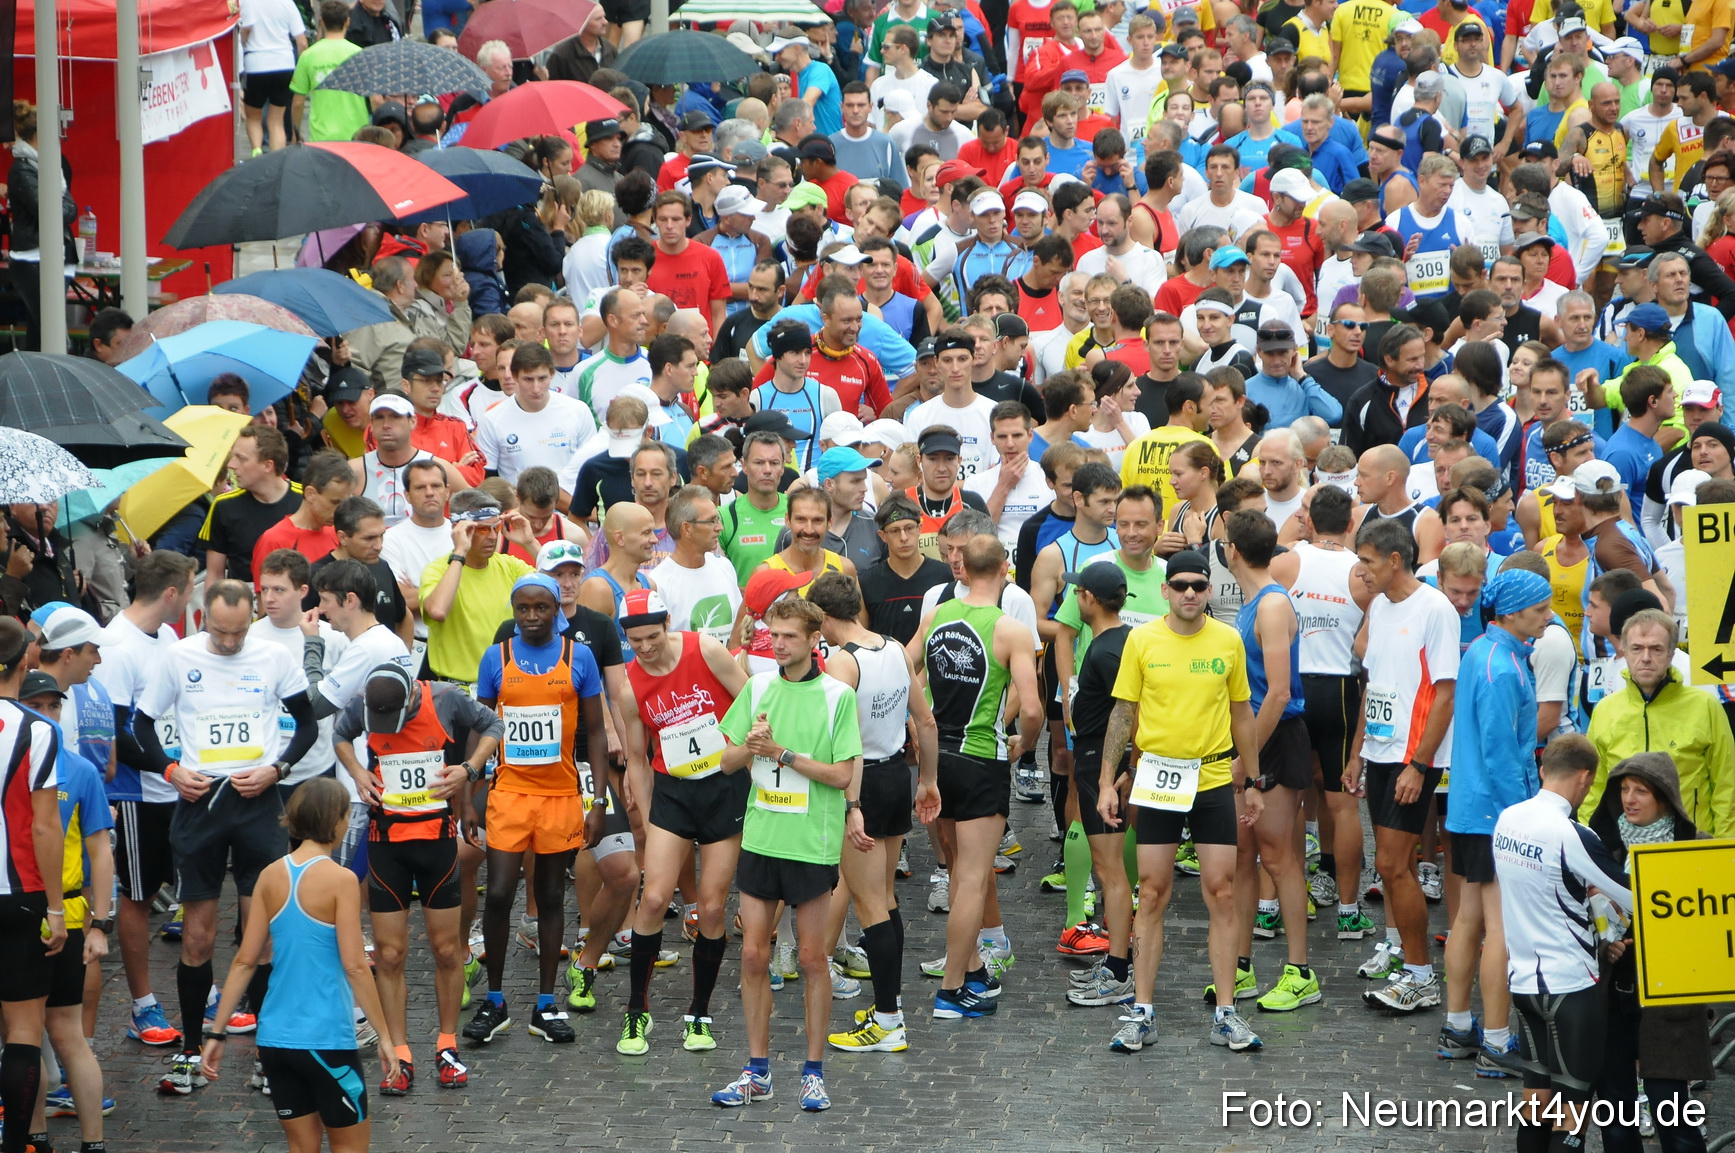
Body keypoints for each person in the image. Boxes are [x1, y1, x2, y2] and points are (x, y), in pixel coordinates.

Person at [133, 580, 319, 1095]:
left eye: (239, 632)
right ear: (201, 620)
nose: (231, 643)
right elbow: (141, 726)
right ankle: (191, 1052)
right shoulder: (177, 658)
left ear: (252, 618)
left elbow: (305, 725)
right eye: (220, 633)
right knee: (197, 937)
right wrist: (170, 771)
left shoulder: (272, 656)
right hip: (200, 803)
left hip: (257, 801)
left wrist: (277, 769)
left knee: (260, 941)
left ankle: (268, 1054)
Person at [1092, 549, 1265, 1052]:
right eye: (1181, 585)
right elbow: (1123, 713)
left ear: (1210, 591)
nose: (1190, 593)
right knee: (1152, 890)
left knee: (1222, 892)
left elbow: (1242, 714)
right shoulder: (1142, 640)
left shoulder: (1229, 640)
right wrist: (1108, 781)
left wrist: (1252, 780)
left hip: (1211, 777)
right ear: (1165, 590)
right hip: (1158, 777)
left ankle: (1227, 1012)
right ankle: (1141, 1011)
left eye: (1199, 585)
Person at [199, 778, 397, 1153]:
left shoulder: (270, 875)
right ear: (336, 820)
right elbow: (355, 966)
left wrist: (216, 1034)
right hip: (327, 1041)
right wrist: (385, 1037)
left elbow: (245, 960)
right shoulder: (341, 880)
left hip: (275, 1041)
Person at [465, 575, 608, 1046]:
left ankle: (546, 1005)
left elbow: (597, 733)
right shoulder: (497, 657)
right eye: (523, 608)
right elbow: (479, 726)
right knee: (501, 891)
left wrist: (599, 799)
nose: (531, 616)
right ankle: (497, 999)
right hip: (509, 793)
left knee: (549, 896)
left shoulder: (577, 656)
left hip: (561, 796)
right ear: (513, 610)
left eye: (541, 608)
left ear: (556, 610)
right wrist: (472, 791)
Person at [808, 574, 939, 1055]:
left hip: (859, 786)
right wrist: (928, 780)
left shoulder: (842, 664)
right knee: (883, 897)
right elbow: (924, 720)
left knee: (868, 905)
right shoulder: (895, 648)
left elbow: (839, 743)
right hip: (893, 780)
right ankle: (892, 1007)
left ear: (823, 617)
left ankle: (887, 1021)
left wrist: (850, 805)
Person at [913, 533, 1041, 1021]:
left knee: (954, 868)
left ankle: (969, 970)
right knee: (971, 878)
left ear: (961, 568)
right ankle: (951, 990)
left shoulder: (939, 615)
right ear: (1006, 568)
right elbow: (1030, 708)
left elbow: (905, 668)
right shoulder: (1010, 630)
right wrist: (1023, 744)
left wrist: (918, 723)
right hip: (980, 756)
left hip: (936, 757)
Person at [615, 589, 747, 1055]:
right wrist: (647, 824)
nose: (646, 648)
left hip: (722, 788)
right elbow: (635, 754)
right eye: (635, 641)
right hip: (671, 791)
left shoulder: (704, 650)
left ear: (668, 623)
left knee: (711, 908)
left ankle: (700, 1012)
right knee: (652, 898)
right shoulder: (629, 685)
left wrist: (747, 753)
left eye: (653, 637)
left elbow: (751, 698)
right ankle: (636, 1011)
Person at [1437, 568, 1556, 1079]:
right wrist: (1525, 817)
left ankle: (1458, 1025)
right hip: (1497, 815)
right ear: (1511, 613)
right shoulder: (1503, 668)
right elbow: (1503, 754)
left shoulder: (1484, 654)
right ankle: (1497, 1040)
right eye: (1539, 610)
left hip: (1471, 810)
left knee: (1467, 919)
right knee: (1500, 929)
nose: (1549, 617)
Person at [1493, 732, 1632, 1153]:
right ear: (1586, 779)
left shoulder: (1507, 819)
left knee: (1535, 1104)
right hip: (1571, 988)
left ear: (1542, 770)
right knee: (1572, 1119)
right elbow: (1634, 896)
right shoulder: (1573, 834)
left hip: (1523, 986)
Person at [1343, 517, 1459, 1014]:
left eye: (1367, 562)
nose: (1360, 571)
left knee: (1392, 865)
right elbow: (1375, 685)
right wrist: (1356, 753)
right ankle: (1407, 963)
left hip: (1413, 757)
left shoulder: (1436, 609)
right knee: (1395, 867)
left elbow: (1445, 695)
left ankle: (1419, 976)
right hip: (1381, 752)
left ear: (1394, 560)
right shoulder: (1381, 607)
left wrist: (1419, 763)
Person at [90, 550, 197, 1050]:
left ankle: (204, 985)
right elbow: (114, 732)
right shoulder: (115, 645)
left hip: (176, 785)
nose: (192, 597)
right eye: (190, 588)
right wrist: (167, 769)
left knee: (195, 889)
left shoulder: (170, 636)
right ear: (172, 593)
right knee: (139, 894)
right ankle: (142, 1002)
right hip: (139, 792)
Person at [1587, 751, 1716, 1153]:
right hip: (1614, 1001)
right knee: (1616, 1122)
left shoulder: (1698, 851)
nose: (1630, 799)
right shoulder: (1600, 851)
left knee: (1673, 1118)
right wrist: (1604, 945)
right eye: (1624, 789)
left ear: (1664, 797)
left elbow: (1710, 930)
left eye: (1641, 790)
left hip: (1669, 1010)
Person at [1220, 510, 1318, 1013]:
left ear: (1233, 550)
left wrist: (1246, 762)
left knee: (1278, 858)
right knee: (1240, 859)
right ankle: (1239, 966)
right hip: (1251, 740)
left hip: (1272, 740)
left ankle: (1300, 972)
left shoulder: (1272, 605)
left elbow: (1278, 693)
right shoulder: (1251, 602)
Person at [1586, 608, 1734, 834]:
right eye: (1637, 648)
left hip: (1692, 846)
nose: (1646, 657)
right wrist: (1593, 844)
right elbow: (1594, 787)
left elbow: (1727, 784)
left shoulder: (1705, 706)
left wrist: (1725, 848)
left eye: (1656, 649)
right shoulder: (1605, 710)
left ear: (1671, 654)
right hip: (1625, 850)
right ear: (1624, 651)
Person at [418, 490, 541, 686]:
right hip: (458, 690)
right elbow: (438, 611)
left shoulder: (509, 566)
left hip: (507, 687)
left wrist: (530, 543)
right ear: (459, 530)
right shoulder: (439, 570)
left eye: (496, 527)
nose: (492, 536)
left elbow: (563, 589)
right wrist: (460, 552)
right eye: (483, 529)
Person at [202, 425, 302, 584]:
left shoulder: (305, 500)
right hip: (243, 601)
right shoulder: (224, 506)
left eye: (241, 458)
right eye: (233, 457)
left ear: (268, 465)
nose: (231, 465)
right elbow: (214, 575)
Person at [650, 486, 740, 645]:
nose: (719, 527)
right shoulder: (659, 583)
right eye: (712, 521)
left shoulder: (724, 566)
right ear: (687, 528)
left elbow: (739, 628)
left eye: (717, 519)